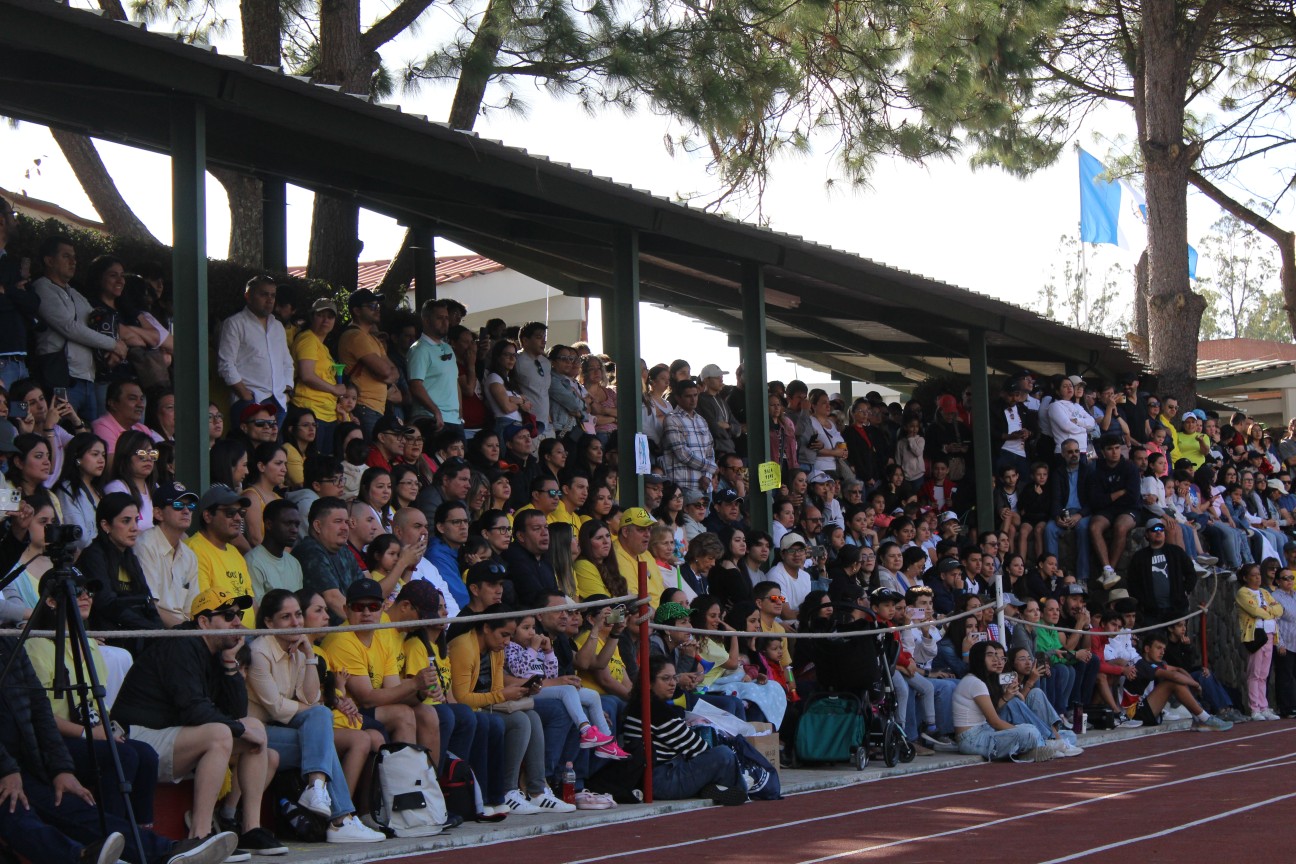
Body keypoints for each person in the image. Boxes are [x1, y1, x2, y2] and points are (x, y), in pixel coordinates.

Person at [0, 636, 239, 864]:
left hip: (24, 761)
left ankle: (165, 851)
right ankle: (81, 858)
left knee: (72, 805)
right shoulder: (29, 645)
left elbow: (39, 710)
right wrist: (7, 770)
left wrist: (61, 769)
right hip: (9, 766)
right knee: (15, 810)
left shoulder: (9, 644)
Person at [112, 588, 285, 853]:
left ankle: (250, 829)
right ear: (204, 621)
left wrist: (230, 664)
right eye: (228, 616)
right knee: (222, 734)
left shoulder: (216, 652)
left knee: (255, 728)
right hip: (136, 738)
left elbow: (236, 711)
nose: (237, 622)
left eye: (238, 615)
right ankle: (199, 836)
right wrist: (238, 728)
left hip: (171, 735)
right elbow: (194, 710)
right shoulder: (181, 644)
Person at [247, 589, 384, 843]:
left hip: (284, 728)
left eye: (298, 615)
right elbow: (277, 708)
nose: (296, 622)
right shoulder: (259, 652)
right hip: (257, 732)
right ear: (269, 622)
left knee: (319, 725)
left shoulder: (299, 649)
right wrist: (314, 710)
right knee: (321, 737)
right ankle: (340, 819)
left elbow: (309, 698)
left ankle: (318, 789)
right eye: (286, 617)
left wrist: (310, 656)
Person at [448, 604, 576, 814]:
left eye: (509, 636)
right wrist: (503, 695)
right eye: (504, 635)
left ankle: (537, 791)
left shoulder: (496, 650)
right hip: (469, 710)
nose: (507, 642)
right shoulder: (464, 647)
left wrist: (523, 690)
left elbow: (497, 689)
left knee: (532, 716)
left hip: (486, 705)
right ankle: (508, 790)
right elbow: (462, 699)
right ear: (486, 628)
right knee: (519, 721)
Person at [623, 656, 748, 805]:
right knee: (724, 754)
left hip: (647, 778)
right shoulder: (658, 711)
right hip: (661, 781)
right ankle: (741, 791)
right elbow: (698, 748)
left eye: (674, 678)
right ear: (648, 683)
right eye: (665, 678)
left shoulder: (638, 704)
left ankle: (718, 788)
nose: (672, 683)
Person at [321, 579, 426, 749]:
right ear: (346, 610)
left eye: (373, 607)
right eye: (358, 607)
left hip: (363, 711)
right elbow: (367, 699)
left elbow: (393, 689)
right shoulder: (341, 639)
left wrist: (421, 692)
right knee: (403, 714)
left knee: (427, 712)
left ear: (382, 608)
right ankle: (404, 766)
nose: (366, 613)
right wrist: (414, 684)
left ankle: (425, 766)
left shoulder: (382, 636)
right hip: (344, 712)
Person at [32, 236, 126, 419]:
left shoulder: (76, 294)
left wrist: (116, 346)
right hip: (62, 378)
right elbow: (69, 327)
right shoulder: (42, 288)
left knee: (88, 435)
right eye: (66, 256)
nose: (73, 261)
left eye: (74, 257)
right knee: (63, 432)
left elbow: (98, 324)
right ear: (49, 260)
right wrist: (113, 345)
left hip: (88, 379)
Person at [952, 641, 1052, 762]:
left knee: (1029, 729)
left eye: (996, 655)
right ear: (979, 658)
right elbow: (995, 722)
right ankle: (1041, 746)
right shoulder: (975, 682)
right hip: (971, 739)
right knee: (1029, 732)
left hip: (983, 731)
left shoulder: (980, 681)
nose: (995, 659)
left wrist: (1007, 696)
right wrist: (1019, 731)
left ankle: (1033, 749)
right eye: (990, 655)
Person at [218, 275, 294, 427]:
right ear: (248, 296)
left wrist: (287, 390)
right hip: (250, 399)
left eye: (273, 295)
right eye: (264, 294)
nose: (269, 300)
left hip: (278, 401)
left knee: (273, 443)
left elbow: (287, 362)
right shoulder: (235, 323)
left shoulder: (278, 327)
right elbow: (226, 363)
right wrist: (245, 395)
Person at [1123, 631, 1233, 731]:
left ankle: (1200, 717)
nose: (1162, 652)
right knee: (1172, 682)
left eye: (1164, 649)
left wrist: (1190, 682)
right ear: (1147, 649)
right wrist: (1196, 684)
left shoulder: (1154, 663)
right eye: (1158, 648)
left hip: (1144, 708)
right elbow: (1174, 676)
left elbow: (1178, 669)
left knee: (1177, 681)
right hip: (1133, 713)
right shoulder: (1142, 664)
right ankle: (1205, 718)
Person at [187, 485, 256, 627]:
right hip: (222, 635)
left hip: (246, 634)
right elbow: (204, 607)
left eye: (241, 512)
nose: (238, 518)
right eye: (230, 512)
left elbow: (252, 601)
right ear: (207, 516)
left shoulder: (235, 552)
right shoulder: (194, 549)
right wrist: (244, 633)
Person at [136, 481, 201, 627]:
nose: (186, 511)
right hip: (155, 629)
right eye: (178, 505)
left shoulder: (189, 555)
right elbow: (150, 607)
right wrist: (187, 632)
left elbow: (192, 610)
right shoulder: (145, 545)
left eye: (190, 506)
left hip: (184, 630)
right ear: (158, 513)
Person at [292, 496, 365, 624]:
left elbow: (363, 591)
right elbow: (332, 598)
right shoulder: (309, 551)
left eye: (346, 522)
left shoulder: (344, 550)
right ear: (318, 526)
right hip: (327, 632)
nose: (345, 527)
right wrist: (365, 624)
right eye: (338, 521)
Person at [337, 289, 398, 437]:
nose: (377, 309)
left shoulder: (373, 339)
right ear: (357, 311)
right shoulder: (355, 336)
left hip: (376, 408)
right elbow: (386, 371)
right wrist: (385, 375)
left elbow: (395, 374)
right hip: (363, 406)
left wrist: (384, 374)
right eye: (371, 306)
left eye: (377, 305)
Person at [290, 298, 346, 455]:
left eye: (330, 316)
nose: (326, 320)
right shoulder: (308, 339)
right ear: (311, 316)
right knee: (313, 462)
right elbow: (307, 375)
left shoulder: (323, 347)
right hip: (310, 411)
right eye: (321, 315)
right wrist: (334, 389)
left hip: (327, 414)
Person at [1087, 435, 1140, 588]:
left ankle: (1111, 570)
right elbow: (1095, 500)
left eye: (1117, 448)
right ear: (1103, 451)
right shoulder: (1096, 469)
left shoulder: (1130, 468)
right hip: (1106, 510)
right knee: (1094, 527)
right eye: (1110, 449)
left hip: (1129, 509)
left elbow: (1132, 497)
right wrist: (1118, 493)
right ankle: (1107, 569)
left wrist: (1108, 497)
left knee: (1121, 527)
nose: (1115, 452)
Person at [1125, 518, 1196, 624]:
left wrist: (1185, 591)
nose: (1158, 532)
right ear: (1147, 534)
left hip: (1177, 608)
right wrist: (1142, 601)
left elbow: (1191, 573)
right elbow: (1132, 581)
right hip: (1151, 612)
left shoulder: (1176, 552)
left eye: (1161, 529)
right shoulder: (1139, 557)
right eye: (1154, 529)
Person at [1236, 562, 1283, 721]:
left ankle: (1264, 706)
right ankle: (1254, 707)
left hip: (1269, 634)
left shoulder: (1264, 592)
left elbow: (1279, 609)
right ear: (1245, 578)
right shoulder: (1243, 593)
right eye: (1254, 575)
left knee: (1264, 673)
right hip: (1255, 636)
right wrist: (1270, 611)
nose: (1258, 578)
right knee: (1254, 673)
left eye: (1258, 575)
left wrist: (1268, 610)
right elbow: (1255, 610)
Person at [407, 299, 460, 431]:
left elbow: (455, 382)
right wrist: (436, 411)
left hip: (454, 419)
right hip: (431, 418)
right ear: (426, 320)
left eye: (446, 318)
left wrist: (460, 415)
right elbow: (415, 385)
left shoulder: (448, 348)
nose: (445, 322)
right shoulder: (419, 349)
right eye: (440, 318)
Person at [661, 378, 717, 497]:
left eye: (695, 395)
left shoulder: (701, 420)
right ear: (678, 398)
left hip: (706, 486)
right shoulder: (671, 419)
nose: (693, 400)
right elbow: (682, 454)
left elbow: (710, 452)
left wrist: (707, 476)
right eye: (688, 396)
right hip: (684, 486)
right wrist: (710, 467)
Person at [246, 499, 305, 597]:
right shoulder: (253, 562)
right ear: (269, 525)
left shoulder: (294, 563)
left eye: (297, 525)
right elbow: (257, 605)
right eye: (288, 523)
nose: (294, 530)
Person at [515, 322, 552, 437]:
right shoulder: (516, 360)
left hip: (546, 425)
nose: (544, 341)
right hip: (526, 424)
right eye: (539, 337)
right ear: (525, 340)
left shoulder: (546, 362)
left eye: (545, 337)